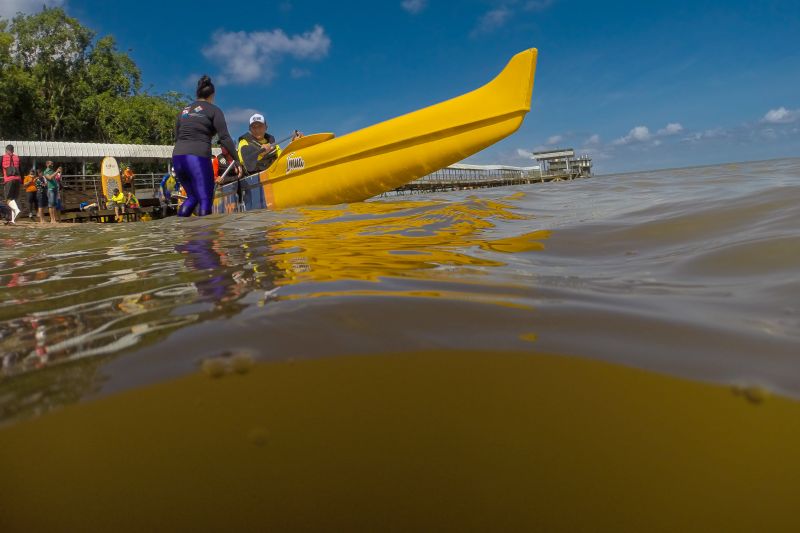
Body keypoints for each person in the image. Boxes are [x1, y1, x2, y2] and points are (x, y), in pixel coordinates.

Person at [172, 75, 240, 217]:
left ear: (197, 94)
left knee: (192, 197)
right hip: (197, 157)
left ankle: (179, 233)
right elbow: (225, 137)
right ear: (212, 95)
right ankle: (206, 238)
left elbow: (177, 136)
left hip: (178, 158)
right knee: (205, 200)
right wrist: (237, 160)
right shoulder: (214, 110)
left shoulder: (183, 111)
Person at [237, 113, 302, 175]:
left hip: (273, 176)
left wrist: (293, 144)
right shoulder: (244, 142)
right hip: (254, 180)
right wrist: (261, 154)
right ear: (249, 129)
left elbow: (283, 158)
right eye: (253, 127)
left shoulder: (272, 143)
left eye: (260, 126)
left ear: (266, 127)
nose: (257, 130)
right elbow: (244, 160)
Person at [2, 145, 22, 224]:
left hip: (9, 180)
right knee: (13, 200)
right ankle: (13, 220)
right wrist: (22, 181)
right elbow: (21, 169)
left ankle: (17, 210)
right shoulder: (17, 157)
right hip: (17, 180)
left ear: (7, 150)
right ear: (13, 150)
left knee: (8, 199)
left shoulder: (2, 157)